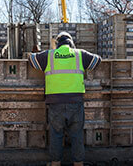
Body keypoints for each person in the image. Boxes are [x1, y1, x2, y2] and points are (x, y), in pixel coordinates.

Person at [28, 31, 101, 166]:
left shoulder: (49, 55)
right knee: (77, 134)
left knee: (56, 134)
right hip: (76, 103)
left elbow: (31, 59)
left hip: (55, 104)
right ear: (71, 42)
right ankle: (78, 163)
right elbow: (97, 60)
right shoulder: (79, 54)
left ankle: (55, 163)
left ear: (57, 43)